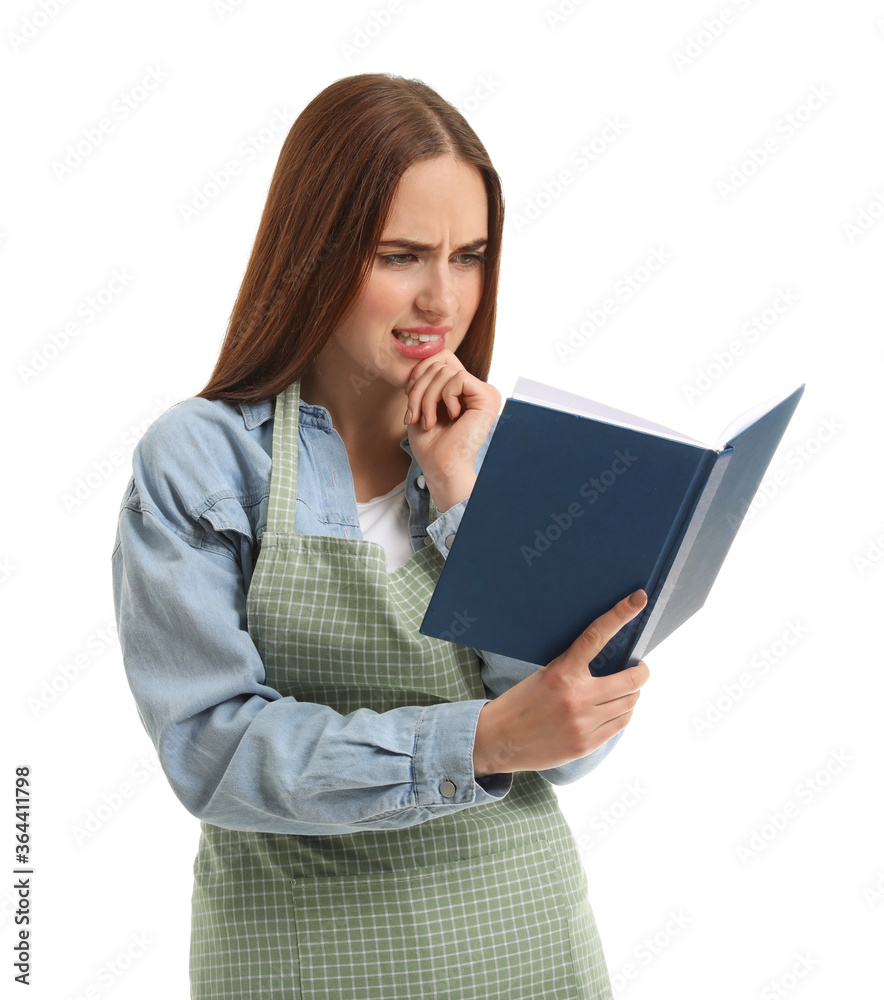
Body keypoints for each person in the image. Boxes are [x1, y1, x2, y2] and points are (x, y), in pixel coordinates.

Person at [112, 72, 651, 1000]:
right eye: (401, 255)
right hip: (300, 967)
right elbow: (212, 750)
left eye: (470, 255)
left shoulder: (504, 454)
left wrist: (460, 490)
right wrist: (474, 743)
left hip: (531, 948)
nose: (443, 300)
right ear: (315, 252)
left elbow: (574, 744)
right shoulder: (202, 463)